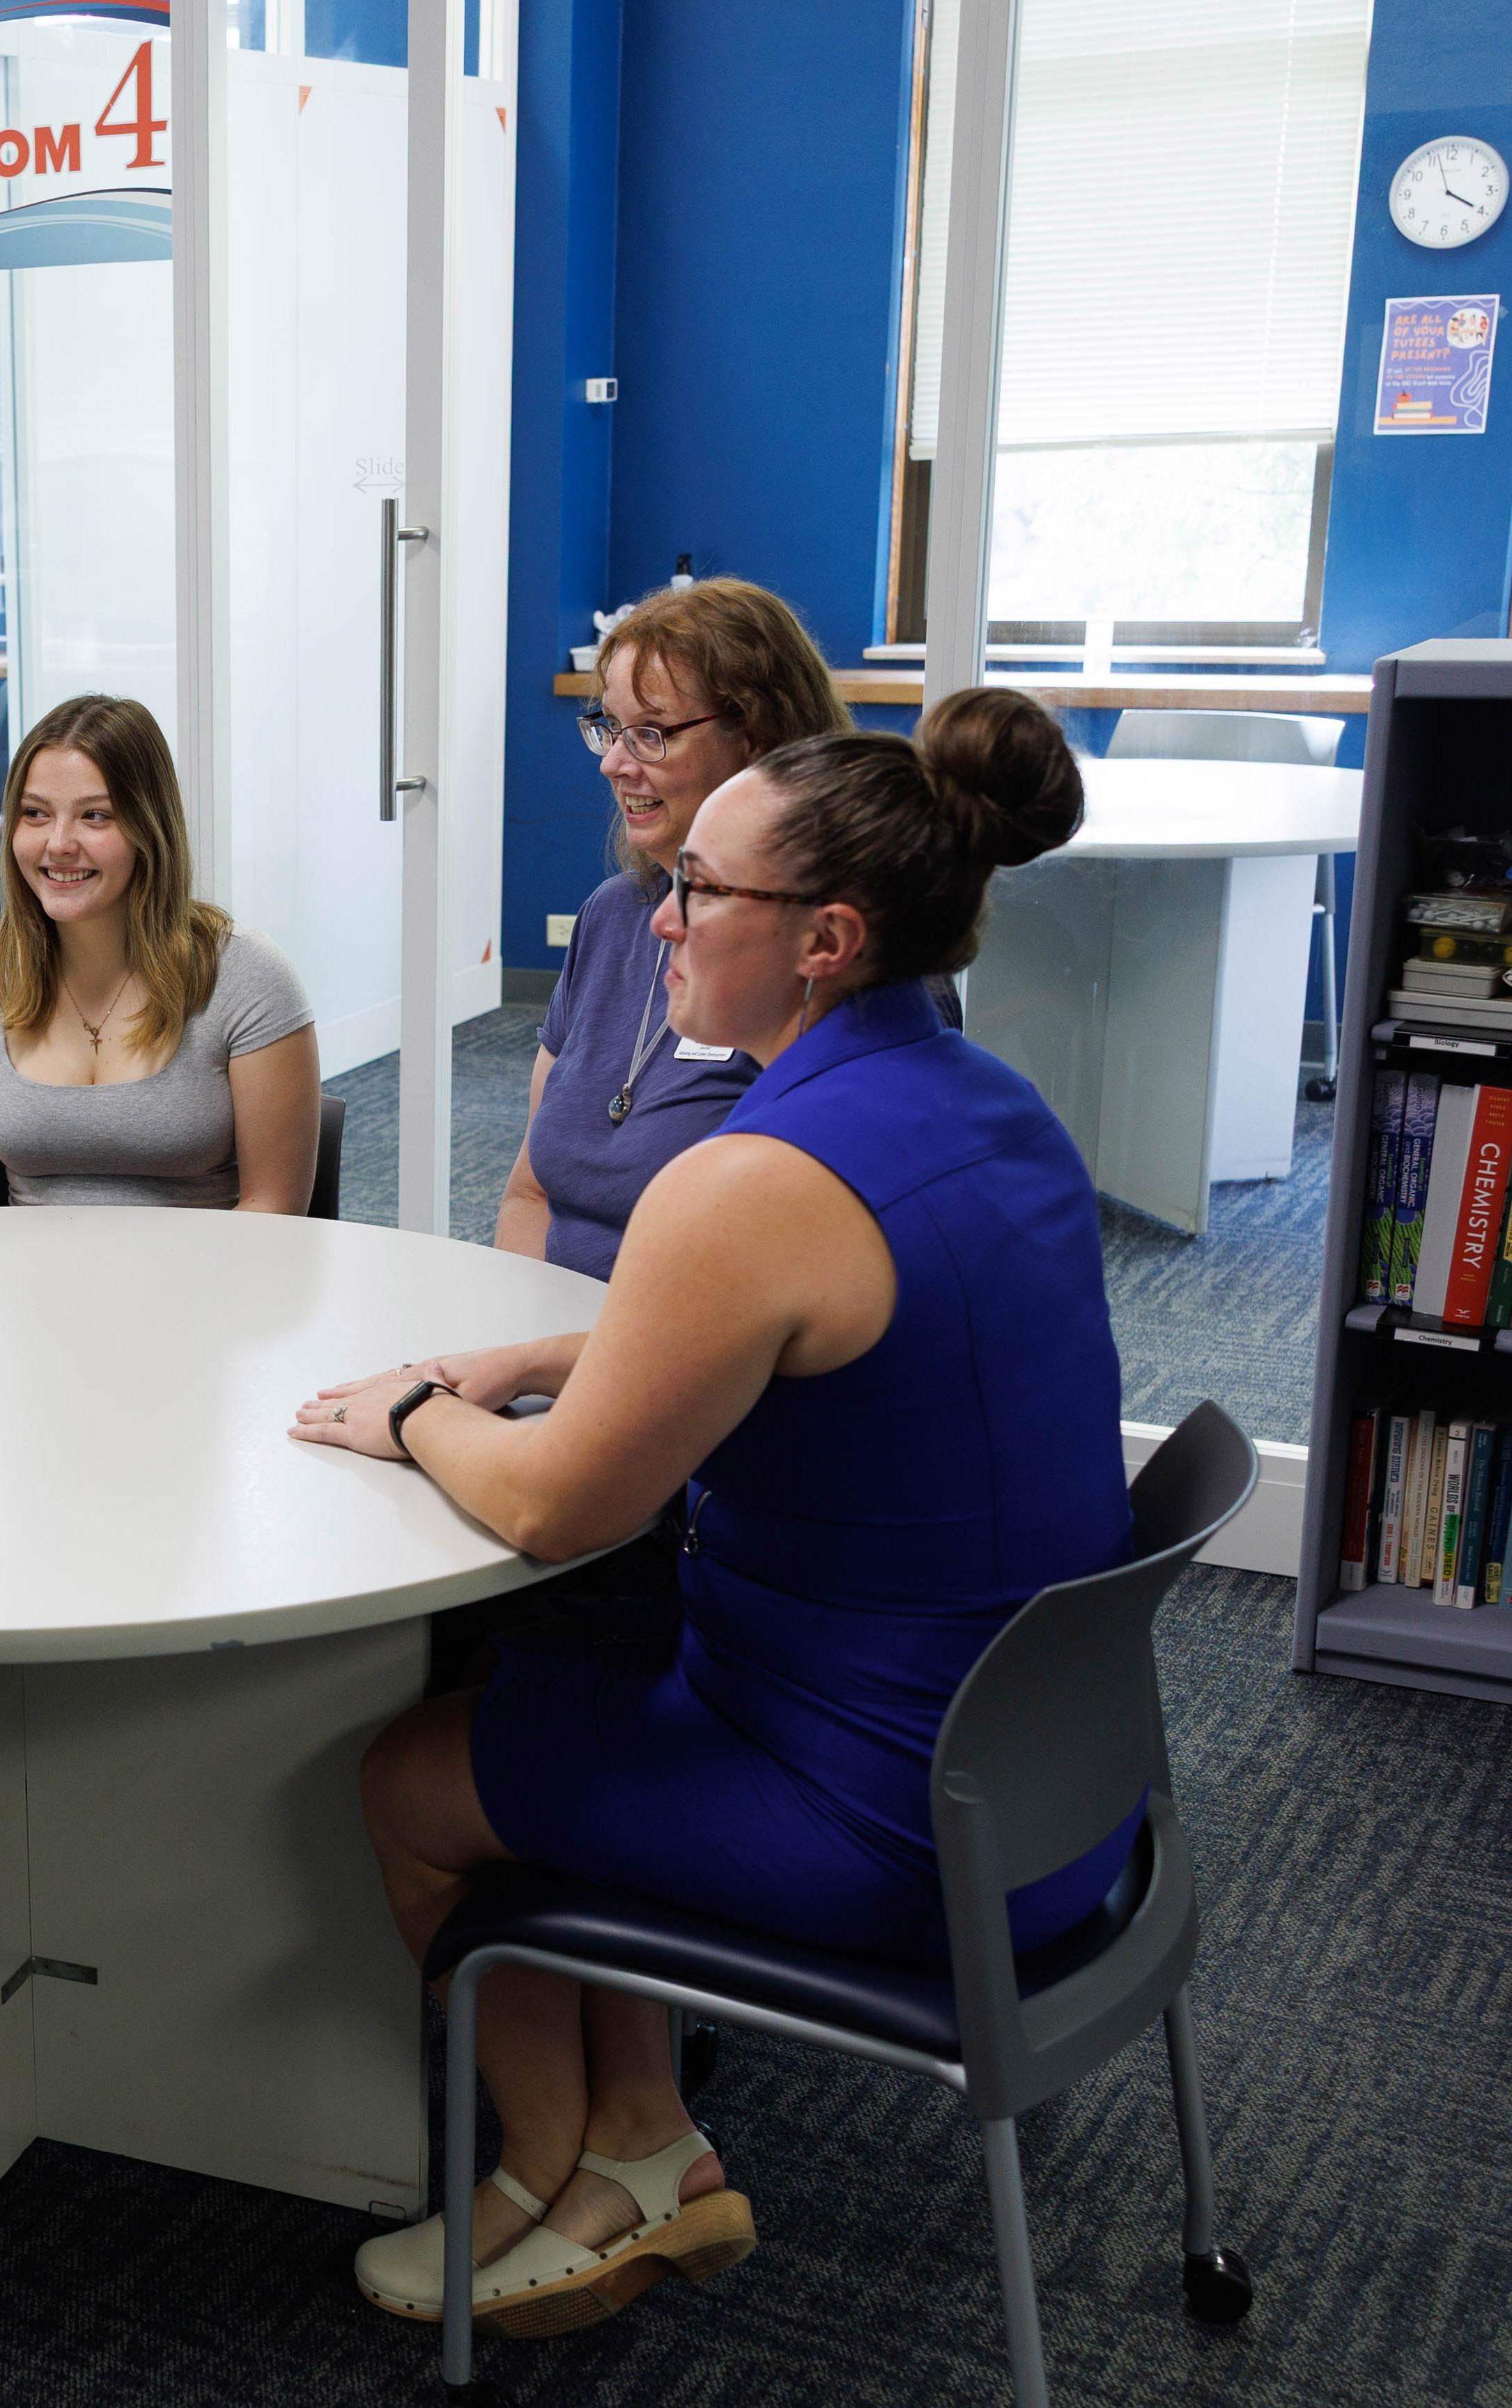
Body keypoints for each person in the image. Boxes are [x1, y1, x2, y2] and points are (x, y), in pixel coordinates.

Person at [294, 687, 1131, 2340]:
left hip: (878, 1821)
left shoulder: (746, 1181)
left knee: (410, 1773)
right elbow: (795, 1321)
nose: (656, 915)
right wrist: (543, 1346)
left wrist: (411, 1409)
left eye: (696, 888)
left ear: (821, 936)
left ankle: (590, 2167)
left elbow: (546, 1504)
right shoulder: (980, 1103)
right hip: (1051, 1786)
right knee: (560, 1677)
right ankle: (624, 2138)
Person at [500, 577, 850, 1280]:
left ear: (758, 738)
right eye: (609, 726)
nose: (612, 762)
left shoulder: (826, 957)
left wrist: (553, 1369)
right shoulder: (611, 914)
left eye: (650, 734)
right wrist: (513, 1346)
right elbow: (530, 1190)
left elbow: (783, 1284)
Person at [0, 693, 321, 1212]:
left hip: (205, 1286)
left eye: (95, 815)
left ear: (148, 828)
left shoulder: (246, 976)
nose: (59, 843)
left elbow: (272, 1210)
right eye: (35, 814)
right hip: (25, 1288)